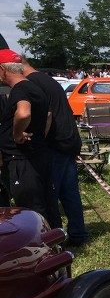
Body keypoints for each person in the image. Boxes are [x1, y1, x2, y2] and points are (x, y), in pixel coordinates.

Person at [23, 58, 88, 245]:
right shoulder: (47, 80)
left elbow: (48, 114)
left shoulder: (32, 83)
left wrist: (38, 140)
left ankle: (54, 239)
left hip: (55, 145)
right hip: (68, 141)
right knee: (70, 193)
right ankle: (78, 234)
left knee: (50, 196)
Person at [0, 49, 60, 228]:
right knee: (47, 202)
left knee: (29, 208)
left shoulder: (20, 89)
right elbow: (48, 115)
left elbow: (24, 113)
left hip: (23, 160)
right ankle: (55, 241)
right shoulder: (34, 87)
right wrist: (39, 134)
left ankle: (39, 247)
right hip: (38, 154)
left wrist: (17, 134)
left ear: (3, 69)